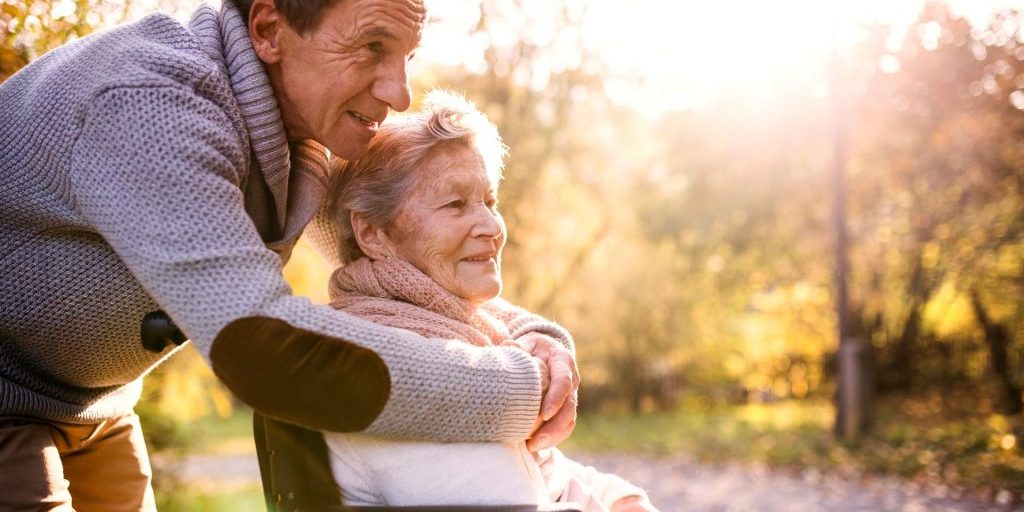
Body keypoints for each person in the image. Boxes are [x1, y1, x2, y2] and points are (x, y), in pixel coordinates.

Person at [0, 0, 579, 508]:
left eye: (404, 54)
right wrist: (525, 389)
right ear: (270, 30)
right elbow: (267, 350)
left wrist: (536, 339)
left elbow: (391, 252)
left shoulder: (303, 130)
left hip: (91, 403)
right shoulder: (154, 106)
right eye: (372, 47)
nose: (398, 91)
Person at [320, 90, 658, 512]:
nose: (491, 226)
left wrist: (623, 500)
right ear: (371, 233)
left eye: (490, 201)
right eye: (456, 204)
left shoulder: (456, 335)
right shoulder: (399, 368)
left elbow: (547, 472)